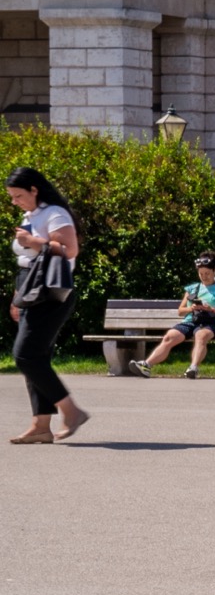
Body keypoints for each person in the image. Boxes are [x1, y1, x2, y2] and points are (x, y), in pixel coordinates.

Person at [9, 165, 88, 444]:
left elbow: (69, 250)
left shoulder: (54, 214)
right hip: (31, 289)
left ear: (34, 190)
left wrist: (32, 240)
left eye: (18, 195)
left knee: (26, 356)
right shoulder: (32, 214)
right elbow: (28, 261)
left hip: (49, 292)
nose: (14, 201)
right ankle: (41, 426)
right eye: (11, 196)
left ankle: (71, 411)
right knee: (36, 358)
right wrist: (18, 296)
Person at [130, 253, 215, 378]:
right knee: (169, 337)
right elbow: (180, 311)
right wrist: (191, 308)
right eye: (201, 274)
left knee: (201, 336)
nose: (204, 277)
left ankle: (193, 368)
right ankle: (146, 365)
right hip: (191, 320)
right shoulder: (192, 288)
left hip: (212, 323)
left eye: (207, 273)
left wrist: (212, 309)